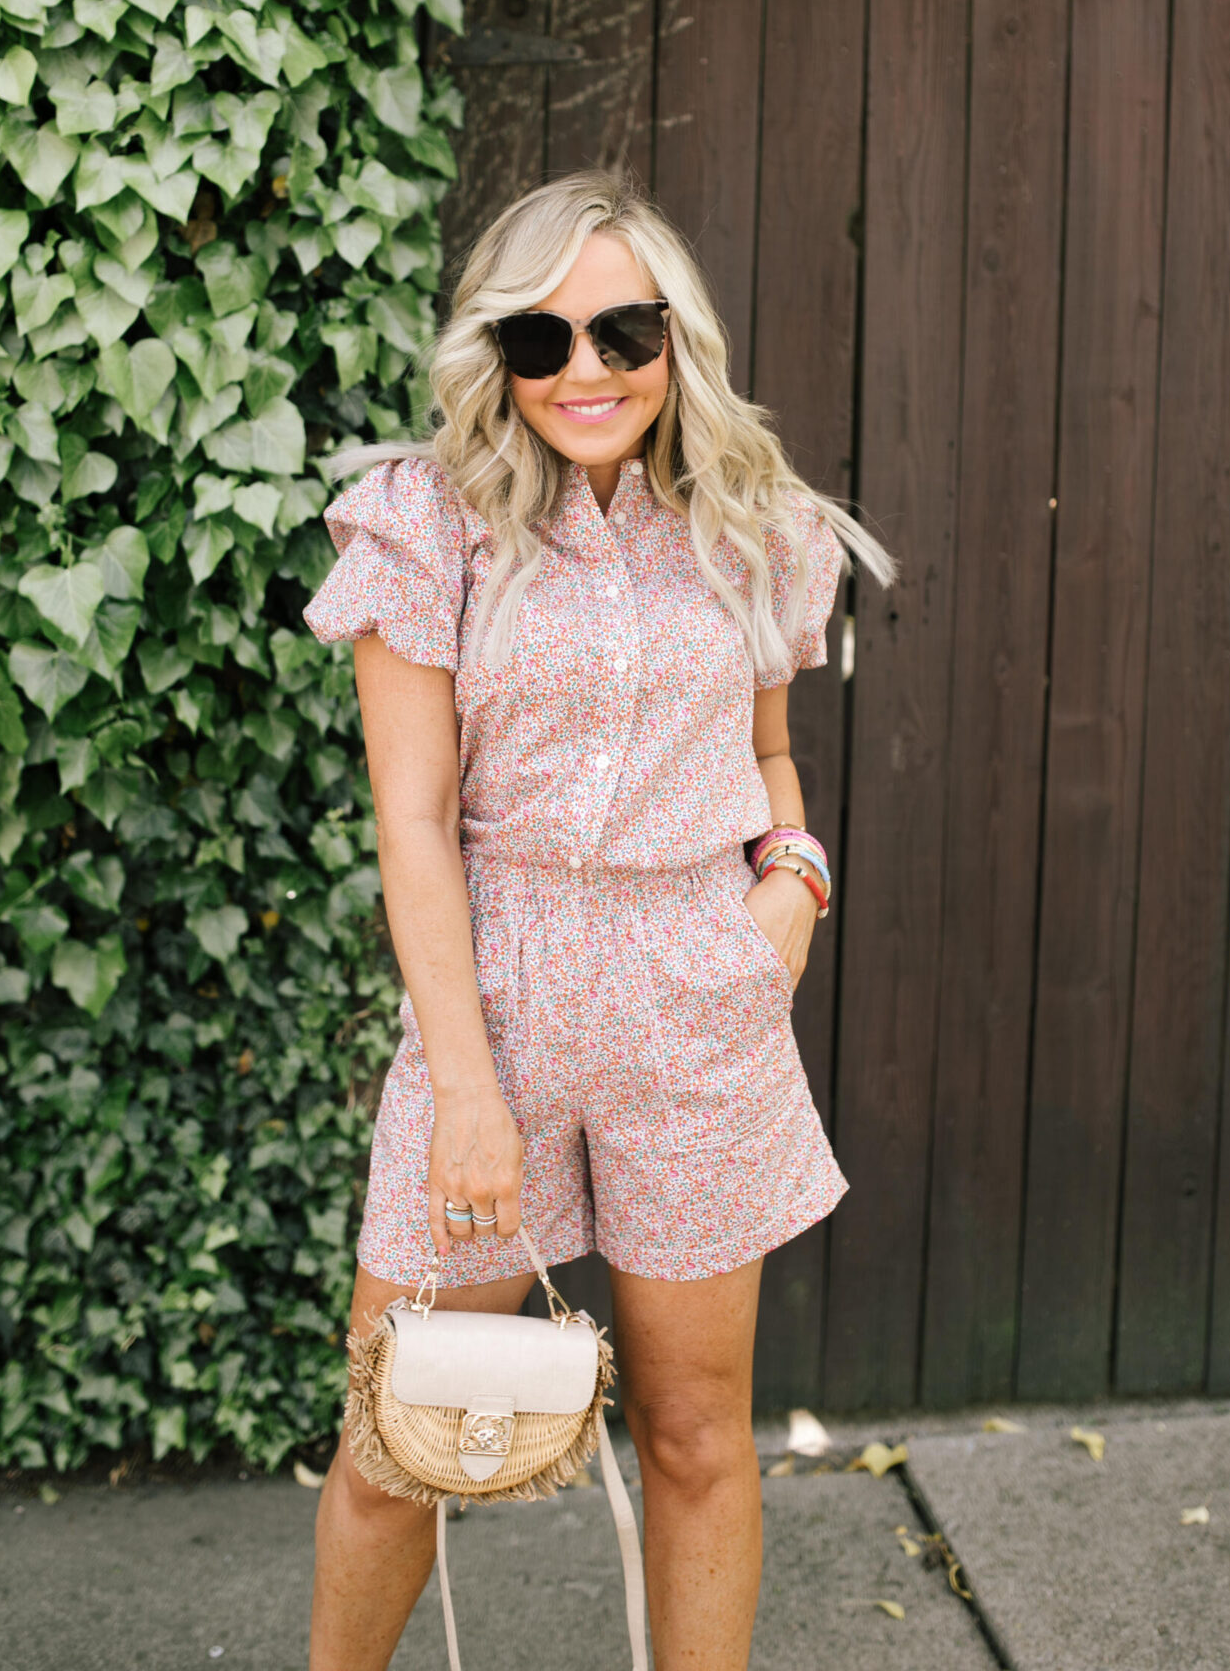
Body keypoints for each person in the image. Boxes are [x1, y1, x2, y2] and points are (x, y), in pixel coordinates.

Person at [302, 170, 896, 1671]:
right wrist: (465, 1089)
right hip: (498, 999)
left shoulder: (758, 529)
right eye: (540, 338)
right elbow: (414, 823)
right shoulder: (426, 525)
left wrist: (796, 881)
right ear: (494, 352)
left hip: (698, 1001)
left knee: (696, 1435)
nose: (586, 371)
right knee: (398, 1434)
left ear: (675, 337)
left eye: (623, 331)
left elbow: (770, 759)